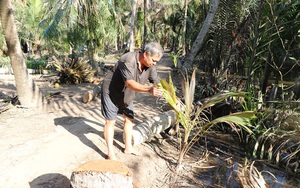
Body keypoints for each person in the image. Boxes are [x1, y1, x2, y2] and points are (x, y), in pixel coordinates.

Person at [101, 42, 164, 160]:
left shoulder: (151, 66)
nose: (154, 63)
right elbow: (129, 82)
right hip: (112, 91)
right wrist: (149, 90)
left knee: (129, 119)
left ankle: (128, 147)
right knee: (110, 121)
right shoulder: (127, 60)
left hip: (128, 93)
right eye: (154, 60)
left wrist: (169, 95)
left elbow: (157, 82)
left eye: (156, 62)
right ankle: (111, 153)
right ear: (145, 54)